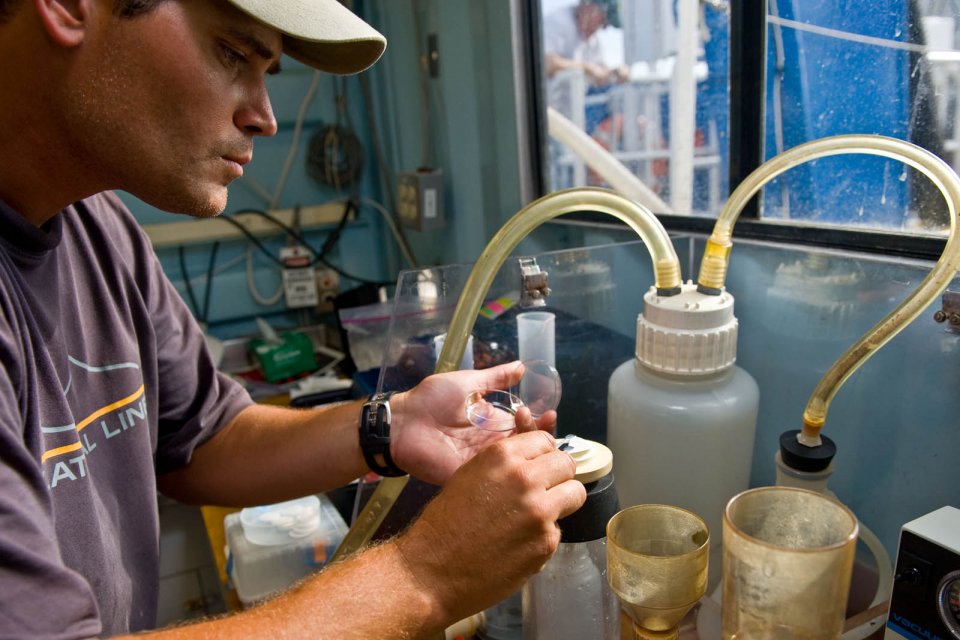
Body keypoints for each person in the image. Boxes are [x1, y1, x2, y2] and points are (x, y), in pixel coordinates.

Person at [0, 0, 587, 637]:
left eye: (268, 73)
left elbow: (202, 440)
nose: (265, 117)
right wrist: (429, 573)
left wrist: (392, 425)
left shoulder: (99, 228)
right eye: (231, 53)